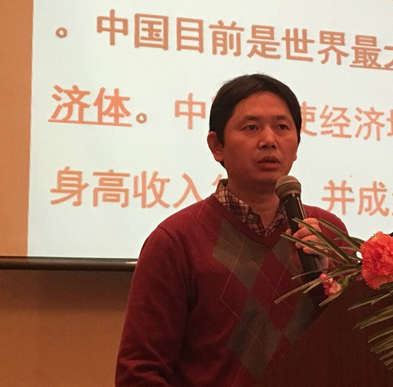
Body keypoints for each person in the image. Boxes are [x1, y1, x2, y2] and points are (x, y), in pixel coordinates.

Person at [115, 74, 347, 387]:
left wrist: (324, 282)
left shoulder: (328, 233)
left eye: (282, 127)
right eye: (251, 127)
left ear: (296, 145)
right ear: (217, 146)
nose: (269, 140)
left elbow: (356, 343)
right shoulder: (175, 241)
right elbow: (139, 372)